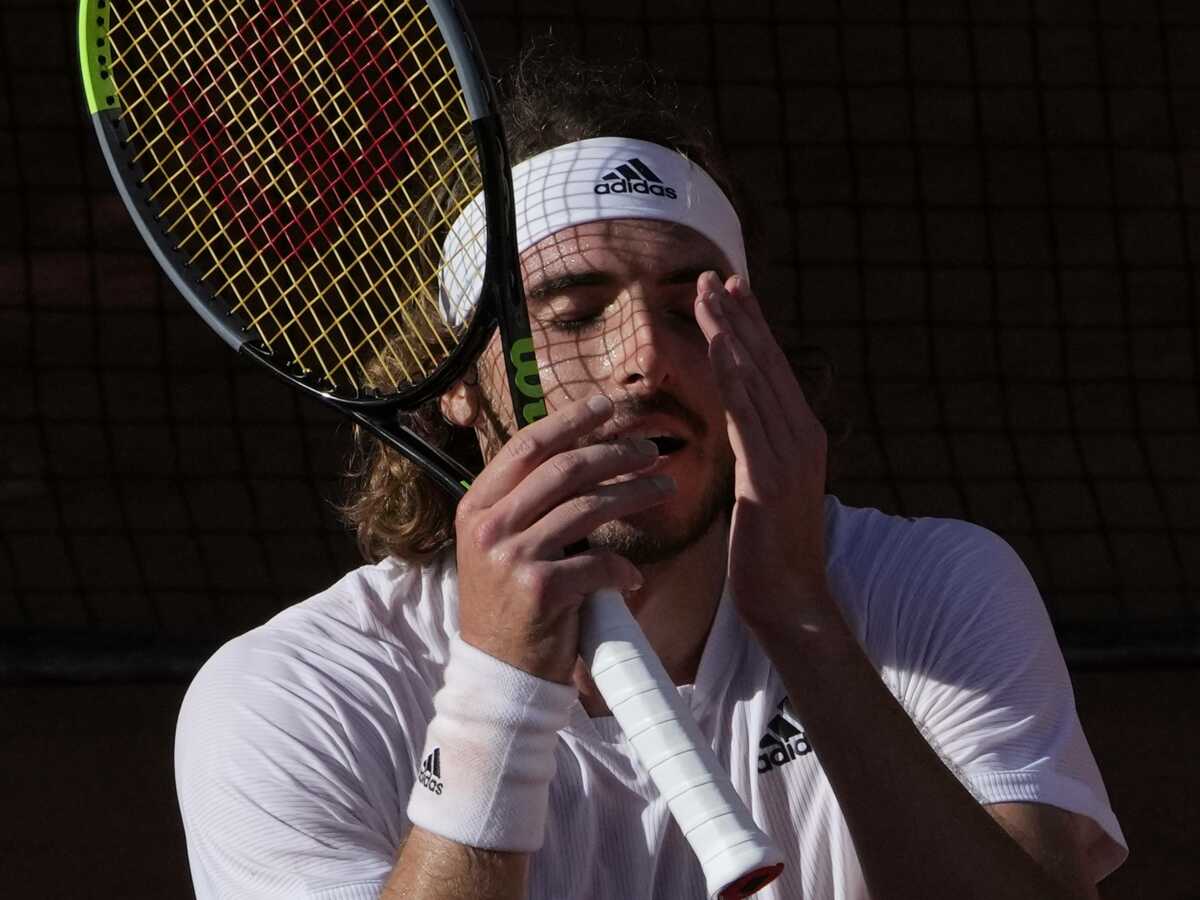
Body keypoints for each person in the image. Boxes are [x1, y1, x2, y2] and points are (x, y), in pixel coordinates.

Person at [175, 52, 1126, 899]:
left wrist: (800, 617)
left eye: (692, 307)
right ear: (463, 383)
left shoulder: (933, 592)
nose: (646, 360)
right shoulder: (295, 696)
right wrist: (501, 684)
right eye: (575, 313)